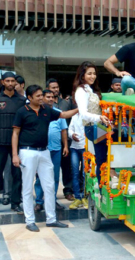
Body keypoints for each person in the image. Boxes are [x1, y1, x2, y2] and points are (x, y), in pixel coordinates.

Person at [12, 85, 78, 232]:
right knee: (28, 187)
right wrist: (15, 155)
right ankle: (30, 221)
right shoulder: (22, 112)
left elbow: (64, 115)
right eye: (38, 96)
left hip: (45, 152)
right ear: (29, 98)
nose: (41, 98)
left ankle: (51, 219)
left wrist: (81, 110)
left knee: (49, 186)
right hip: (27, 152)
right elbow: (15, 133)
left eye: (42, 95)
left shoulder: (47, 110)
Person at [72, 61, 110, 185]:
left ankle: (104, 184)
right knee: (102, 158)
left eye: (94, 74)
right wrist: (100, 117)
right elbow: (83, 113)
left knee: (103, 158)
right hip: (92, 128)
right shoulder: (81, 91)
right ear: (82, 75)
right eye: (89, 74)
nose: (92, 76)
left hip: (98, 127)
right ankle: (102, 187)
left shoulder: (90, 90)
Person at [34, 89, 69, 212]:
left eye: (52, 97)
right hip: (42, 150)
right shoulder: (37, 112)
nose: (50, 99)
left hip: (56, 150)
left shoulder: (59, 113)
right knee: (39, 178)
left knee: (54, 178)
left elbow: (63, 130)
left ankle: (52, 201)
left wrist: (65, 146)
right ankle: (39, 202)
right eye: (47, 96)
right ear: (42, 98)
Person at [0, 72, 25, 213]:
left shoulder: (21, 100)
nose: (10, 83)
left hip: (16, 144)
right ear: (3, 82)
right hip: (0, 143)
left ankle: (15, 203)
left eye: (12, 81)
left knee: (17, 174)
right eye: (7, 81)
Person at [46, 78, 75, 201]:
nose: (56, 90)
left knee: (66, 167)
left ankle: (68, 190)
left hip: (65, 140)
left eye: (57, 87)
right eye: (53, 88)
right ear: (48, 89)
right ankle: (46, 196)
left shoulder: (66, 103)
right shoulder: (45, 105)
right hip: (49, 144)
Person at [68, 113, 88, 209]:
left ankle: (85, 197)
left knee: (85, 174)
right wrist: (72, 134)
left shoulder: (89, 115)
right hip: (74, 147)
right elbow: (70, 129)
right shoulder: (74, 116)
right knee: (75, 173)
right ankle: (77, 197)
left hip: (86, 148)